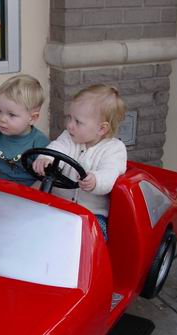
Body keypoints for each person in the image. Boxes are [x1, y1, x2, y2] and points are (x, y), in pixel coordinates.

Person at [33, 84, 127, 239]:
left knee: (90, 237)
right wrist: (46, 159)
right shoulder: (68, 138)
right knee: (36, 225)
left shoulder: (114, 149)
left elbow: (110, 173)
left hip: (91, 214)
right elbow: (57, 148)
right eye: (70, 118)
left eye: (78, 122)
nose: (70, 125)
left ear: (101, 129)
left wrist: (96, 180)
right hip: (59, 207)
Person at [0, 74, 49, 186]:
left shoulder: (40, 143)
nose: (2, 119)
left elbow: (44, 179)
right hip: (0, 191)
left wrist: (30, 194)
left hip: (30, 193)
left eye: (11, 115)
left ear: (32, 118)